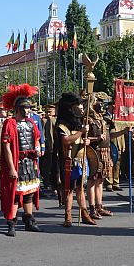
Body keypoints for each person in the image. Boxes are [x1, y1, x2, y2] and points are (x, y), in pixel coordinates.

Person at [0, 84, 42, 236]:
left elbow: (36, 138)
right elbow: (7, 148)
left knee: (29, 193)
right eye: (24, 107)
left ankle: (29, 221)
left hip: (30, 163)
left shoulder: (30, 123)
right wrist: (11, 167)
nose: (27, 110)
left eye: (29, 107)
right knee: (15, 195)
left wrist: (38, 149)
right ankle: (11, 223)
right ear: (17, 108)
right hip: (17, 163)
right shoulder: (9, 123)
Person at [55, 92, 97, 226]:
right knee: (69, 189)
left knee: (80, 188)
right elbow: (66, 140)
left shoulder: (78, 123)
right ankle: (68, 215)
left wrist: (86, 141)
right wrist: (81, 133)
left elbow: (80, 139)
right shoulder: (62, 125)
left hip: (81, 160)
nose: (81, 107)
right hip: (69, 161)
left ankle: (84, 213)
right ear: (70, 108)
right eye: (78, 105)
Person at [86, 99, 113, 218]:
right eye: (98, 102)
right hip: (94, 152)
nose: (101, 105)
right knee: (92, 180)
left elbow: (110, 135)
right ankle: (92, 208)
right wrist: (96, 139)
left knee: (101, 180)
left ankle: (99, 206)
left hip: (105, 152)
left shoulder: (102, 119)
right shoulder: (88, 119)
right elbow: (84, 138)